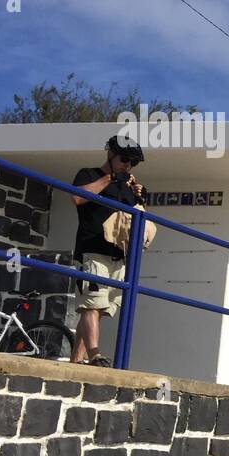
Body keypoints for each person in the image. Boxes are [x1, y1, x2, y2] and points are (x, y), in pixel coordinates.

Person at [70, 135, 146, 366]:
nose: (128, 165)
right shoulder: (89, 174)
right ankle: (95, 355)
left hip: (117, 255)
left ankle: (76, 360)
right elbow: (76, 198)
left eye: (132, 163)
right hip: (92, 250)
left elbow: (140, 220)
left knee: (99, 309)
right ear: (110, 154)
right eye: (124, 159)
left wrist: (139, 196)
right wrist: (110, 178)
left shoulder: (127, 187)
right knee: (92, 304)